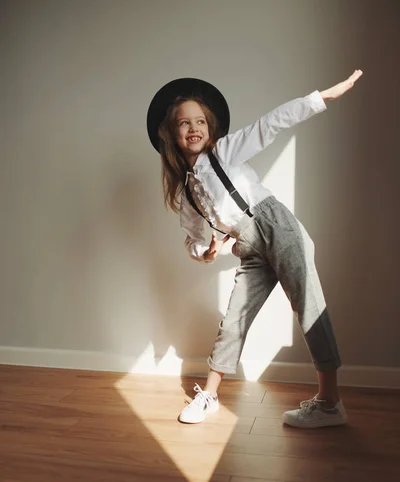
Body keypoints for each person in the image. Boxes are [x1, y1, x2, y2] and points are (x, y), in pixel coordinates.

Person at [146, 70, 363, 428]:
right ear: (172, 133)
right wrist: (209, 251)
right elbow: (194, 240)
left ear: (210, 126)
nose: (193, 128)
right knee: (233, 323)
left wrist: (321, 98)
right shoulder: (186, 192)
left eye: (199, 120)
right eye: (184, 123)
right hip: (248, 245)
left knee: (308, 306)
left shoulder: (225, 151)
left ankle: (329, 402)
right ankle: (210, 396)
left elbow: (270, 124)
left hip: (275, 226)